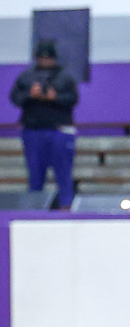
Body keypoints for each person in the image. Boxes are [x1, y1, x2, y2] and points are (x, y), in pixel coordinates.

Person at [8, 40, 79, 208]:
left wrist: (55, 97)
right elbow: (15, 98)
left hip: (59, 131)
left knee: (63, 173)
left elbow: (73, 99)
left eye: (48, 58)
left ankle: (66, 206)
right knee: (35, 173)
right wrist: (30, 94)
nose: (45, 61)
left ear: (54, 58)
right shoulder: (26, 77)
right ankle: (34, 207)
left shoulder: (65, 77)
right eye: (42, 58)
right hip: (33, 131)